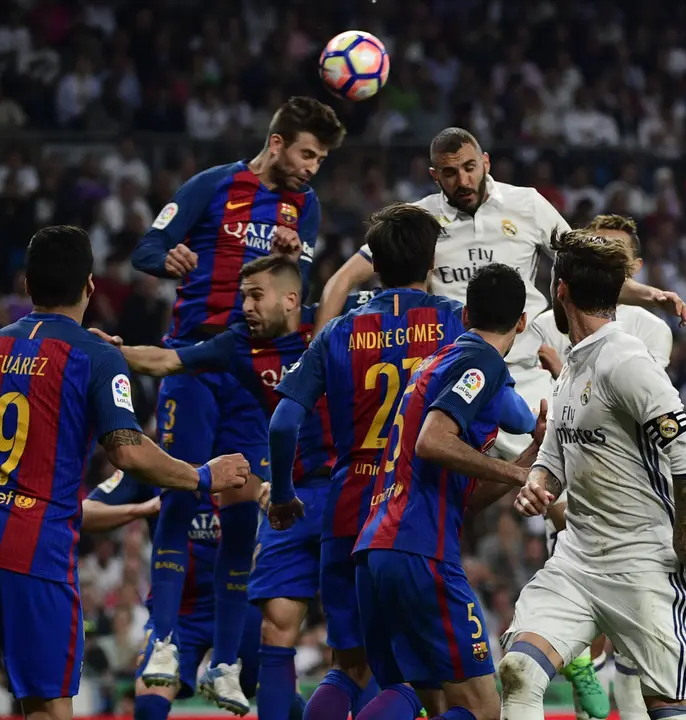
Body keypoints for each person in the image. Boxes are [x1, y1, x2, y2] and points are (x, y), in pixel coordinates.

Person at [315, 129, 686, 715]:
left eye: (469, 167)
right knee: (453, 490)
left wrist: (646, 295)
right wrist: (318, 347)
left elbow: (582, 261)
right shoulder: (419, 221)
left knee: (561, 489)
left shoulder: (528, 204)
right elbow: (341, 280)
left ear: (485, 161)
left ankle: (575, 630)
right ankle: (550, 620)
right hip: (461, 369)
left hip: (526, 371)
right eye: (449, 172)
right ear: (434, 175)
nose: (462, 180)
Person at [0, 226, 249, 720]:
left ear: (27, 285)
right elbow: (128, 452)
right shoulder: (95, 356)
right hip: (35, 553)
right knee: (47, 706)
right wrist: (204, 476)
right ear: (89, 285)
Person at [129, 96, 345, 713]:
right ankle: (163, 640)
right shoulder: (213, 186)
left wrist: (295, 256)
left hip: (255, 371)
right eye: (308, 154)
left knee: (243, 510)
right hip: (197, 358)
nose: (312, 168)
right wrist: (167, 258)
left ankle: (225, 663)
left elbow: (293, 289)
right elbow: (147, 249)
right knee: (182, 492)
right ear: (277, 143)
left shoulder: (305, 206)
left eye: (321, 159)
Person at [91, 255, 372, 720]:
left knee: (355, 643)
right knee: (278, 635)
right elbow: (168, 360)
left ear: (290, 300)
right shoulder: (238, 344)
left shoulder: (334, 320)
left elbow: (395, 293)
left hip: (350, 489)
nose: (245, 307)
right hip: (293, 498)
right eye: (243, 297)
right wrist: (116, 352)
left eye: (255, 296)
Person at [505, 227, 686, 720]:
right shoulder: (572, 366)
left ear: (561, 290)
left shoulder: (625, 359)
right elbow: (554, 457)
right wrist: (539, 483)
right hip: (577, 562)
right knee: (518, 671)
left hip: (642, 564)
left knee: (665, 707)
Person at [267, 204, 467, 720]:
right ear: (433, 261)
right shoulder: (454, 322)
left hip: (347, 506)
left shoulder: (337, 332)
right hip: (413, 509)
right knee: (417, 678)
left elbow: (283, 424)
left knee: (348, 667)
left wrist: (284, 494)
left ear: (374, 264)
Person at [350, 263, 545, 720]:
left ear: (465, 315)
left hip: (378, 550)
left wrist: (528, 457)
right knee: (482, 709)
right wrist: (516, 474)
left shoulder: (436, 363)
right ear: (521, 322)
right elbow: (433, 441)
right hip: (421, 551)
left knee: (427, 698)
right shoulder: (481, 364)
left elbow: (466, 499)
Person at [532, 213, 673, 720]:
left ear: (633, 266)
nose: (603, 259)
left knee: (635, 667)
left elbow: (633, 408)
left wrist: (565, 372)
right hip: (572, 493)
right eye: (595, 248)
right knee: (582, 644)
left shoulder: (650, 331)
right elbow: (545, 413)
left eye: (614, 254)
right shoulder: (546, 320)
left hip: (629, 500)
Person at [82, 469, 302, 720]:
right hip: (177, 614)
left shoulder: (252, 460)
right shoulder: (151, 462)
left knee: (285, 694)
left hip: (244, 610)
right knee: (148, 702)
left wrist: (280, 502)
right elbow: (86, 512)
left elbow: (304, 515)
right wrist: (145, 508)